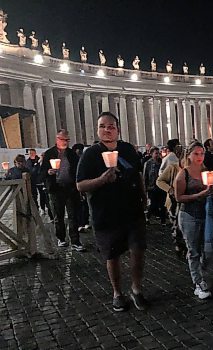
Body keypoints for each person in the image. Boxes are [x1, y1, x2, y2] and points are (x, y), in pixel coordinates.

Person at [76, 112, 148, 312]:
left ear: (118, 129)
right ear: (98, 130)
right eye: (102, 126)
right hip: (105, 213)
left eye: (111, 126)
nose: (107, 130)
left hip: (132, 210)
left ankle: (136, 289)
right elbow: (80, 185)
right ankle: (117, 293)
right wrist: (101, 180)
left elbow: (138, 173)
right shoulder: (90, 154)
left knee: (138, 250)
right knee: (112, 255)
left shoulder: (127, 149)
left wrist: (144, 196)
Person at [175, 141, 213, 299]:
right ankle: (198, 282)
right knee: (193, 250)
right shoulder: (182, 174)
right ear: (189, 155)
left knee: (209, 249)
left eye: (202, 153)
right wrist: (200, 195)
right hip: (189, 215)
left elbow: (211, 190)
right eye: (196, 154)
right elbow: (179, 197)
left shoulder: (206, 171)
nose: (199, 157)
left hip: (205, 214)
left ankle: (201, 273)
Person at [40, 130, 84, 251]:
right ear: (57, 139)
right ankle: (61, 238)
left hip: (70, 187)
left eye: (67, 140)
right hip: (56, 188)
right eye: (63, 140)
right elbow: (42, 172)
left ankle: (75, 241)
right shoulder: (49, 153)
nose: (66, 142)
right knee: (58, 215)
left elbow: (77, 170)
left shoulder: (71, 154)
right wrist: (49, 172)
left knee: (73, 215)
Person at [156, 145, 187, 258]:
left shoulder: (194, 168)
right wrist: (169, 189)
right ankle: (179, 246)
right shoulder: (172, 168)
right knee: (176, 227)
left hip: (187, 201)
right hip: (174, 203)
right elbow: (159, 181)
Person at [143, 147, 166, 225]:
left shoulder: (162, 162)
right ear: (152, 154)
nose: (157, 155)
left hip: (161, 186)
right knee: (153, 204)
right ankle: (148, 217)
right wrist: (145, 188)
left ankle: (163, 221)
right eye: (156, 153)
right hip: (152, 187)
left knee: (163, 204)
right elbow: (145, 176)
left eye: (158, 153)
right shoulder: (148, 163)